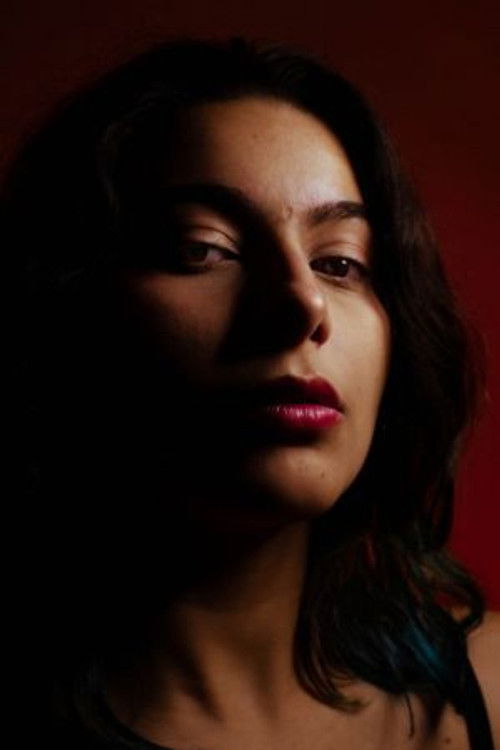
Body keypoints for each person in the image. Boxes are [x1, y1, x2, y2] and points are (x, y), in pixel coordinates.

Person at [6, 36, 499, 750]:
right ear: (67, 306)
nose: (303, 303)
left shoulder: (488, 688)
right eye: (203, 249)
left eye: (340, 262)